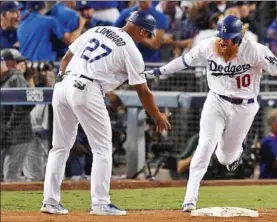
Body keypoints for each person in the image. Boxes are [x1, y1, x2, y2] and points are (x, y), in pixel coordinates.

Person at [145, 15, 277, 211]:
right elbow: (184, 60)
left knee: (226, 157)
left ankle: (235, 153)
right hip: (216, 100)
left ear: (238, 39)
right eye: (221, 37)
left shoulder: (255, 50)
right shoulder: (210, 45)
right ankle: (190, 198)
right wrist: (158, 71)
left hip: (245, 106)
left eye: (227, 38)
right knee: (205, 146)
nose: (222, 42)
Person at [41, 11, 171, 216]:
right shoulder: (131, 50)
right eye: (147, 35)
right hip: (87, 89)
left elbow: (66, 58)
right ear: (143, 30)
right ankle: (101, 203)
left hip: (63, 86)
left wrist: (60, 82)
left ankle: (50, 201)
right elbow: (143, 92)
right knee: (102, 148)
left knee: (59, 147)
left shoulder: (98, 29)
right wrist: (157, 116)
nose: (145, 38)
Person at [0, 49, 34, 182]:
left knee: (10, 176)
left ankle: (22, 201)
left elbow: (24, 105)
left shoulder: (16, 77)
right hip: (4, 135)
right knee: (5, 176)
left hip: (19, 134)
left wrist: (8, 128)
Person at [17, 1, 85, 61]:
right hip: (44, 69)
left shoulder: (21, 25)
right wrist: (81, 25)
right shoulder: (50, 21)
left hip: (26, 69)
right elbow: (71, 41)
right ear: (44, 6)